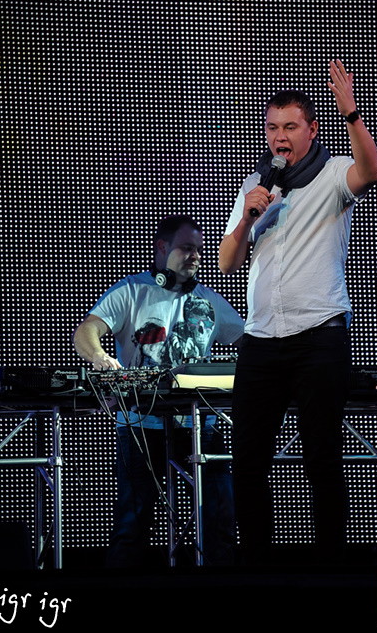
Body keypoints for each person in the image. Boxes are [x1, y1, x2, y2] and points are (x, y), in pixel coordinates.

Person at [219, 59, 377, 566]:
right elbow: (226, 263)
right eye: (272, 127)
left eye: (290, 127)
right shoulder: (257, 184)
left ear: (311, 130)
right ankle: (258, 565)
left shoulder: (333, 174)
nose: (279, 136)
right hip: (262, 339)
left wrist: (351, 112)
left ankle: (329, 566)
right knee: (248, 460)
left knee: (320, 456)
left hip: (318, 337)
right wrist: (248, 220)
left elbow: (370, 172)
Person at [74, 214, 244, 568]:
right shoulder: (130, 291)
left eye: (199, 249)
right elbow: (86, 332)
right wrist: (101, 357)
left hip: (200, 426)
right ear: (162, 248)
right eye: (186, 248)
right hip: (140, 425)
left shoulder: (209, 300)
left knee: (220, 520)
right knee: (132, 524)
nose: (195, 256)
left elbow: (250, 341)